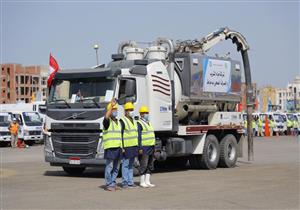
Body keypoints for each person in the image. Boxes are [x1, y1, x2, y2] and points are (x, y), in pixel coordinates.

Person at [102, 99, 122, 191]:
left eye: (116, 110)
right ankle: (108, 184)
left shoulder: (118, 122)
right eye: (113, 110)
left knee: (116, 167)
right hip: (110, 147)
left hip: (118, 147)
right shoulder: (107, 122)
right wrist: (111, 106)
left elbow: (119, 136)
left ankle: (113, 183)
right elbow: (106, 117)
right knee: (109, 166)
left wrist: (122, 147)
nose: (115, 111)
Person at [120, 102, 139, 189]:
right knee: (125, 164)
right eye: (129, 110)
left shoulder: (134, 121)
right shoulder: (122, 121)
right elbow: (120, 134)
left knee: (131, 165)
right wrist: (122, 147)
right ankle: (125, 183)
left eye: (132, 110)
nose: (131, 111)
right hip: (126, 147)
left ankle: (130, 182)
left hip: (133, 145)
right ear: (125, 111)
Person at [137, 106, 156, 188]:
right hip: (144, 147)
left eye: (147, 113)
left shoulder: (148, 123)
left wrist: (154, 146)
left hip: (151, 146)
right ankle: (142, 181)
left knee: (150, 164)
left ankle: (147, 181)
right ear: (141, 114)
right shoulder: (139, 123)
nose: (146, 114)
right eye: (145, 113)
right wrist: (140, 147)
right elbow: (138, 136)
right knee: (143, 164)